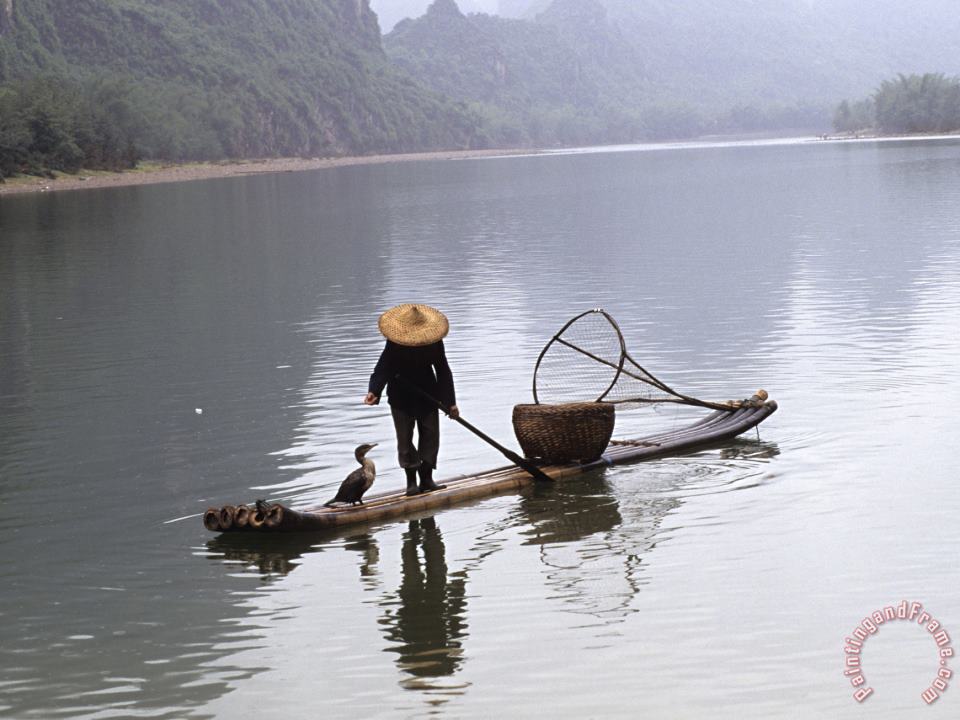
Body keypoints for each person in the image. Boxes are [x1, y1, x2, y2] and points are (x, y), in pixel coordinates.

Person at [365, 304, 459, 496]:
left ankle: (427, 479)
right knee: (405, 440)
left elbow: (443, 371)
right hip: (401, 396)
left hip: (428, 395)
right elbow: (383, 367)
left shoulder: (433, 342)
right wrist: (374, 391)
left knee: (431, 436)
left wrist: (450, 403)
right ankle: (411, 482)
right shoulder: (395, 342)